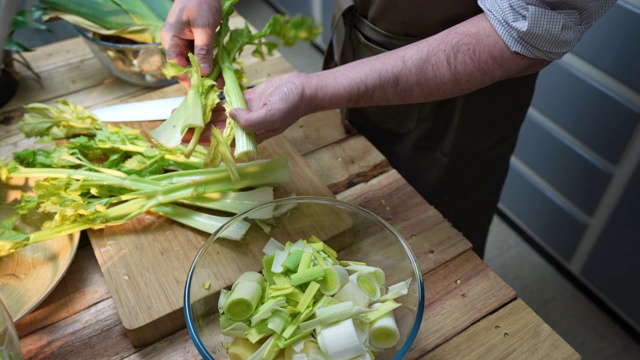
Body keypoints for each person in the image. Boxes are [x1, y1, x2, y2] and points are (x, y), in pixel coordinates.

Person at [161, 0, 615, 257]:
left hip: (459, 101)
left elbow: (523, 31)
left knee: (430, 244)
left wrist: (313, 92)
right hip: (363, 28)